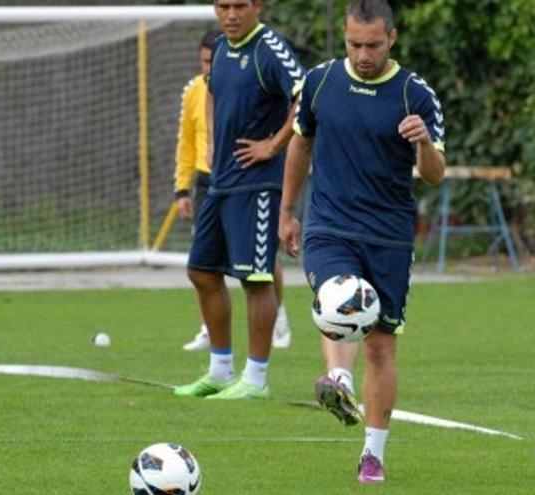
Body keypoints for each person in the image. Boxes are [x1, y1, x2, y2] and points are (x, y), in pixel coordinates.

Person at [279, 0, 446, 483]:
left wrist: (424, 144)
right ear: (345, 38)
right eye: (354, 44)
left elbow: (435, 176)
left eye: (373, 44)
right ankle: (337, 379)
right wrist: (289, 210)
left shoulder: (415, 94)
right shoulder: (320, 82)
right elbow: (300, 143)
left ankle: (372, 454)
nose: (363, 53)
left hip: (389, 235)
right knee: (336, 296)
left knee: (381, 347)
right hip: (330, 224)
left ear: (391, 38)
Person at [173, 0, 304, 400]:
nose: (231, 14)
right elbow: (211, 92)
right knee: (201, 271)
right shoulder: (223, 49)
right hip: (220, 182)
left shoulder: (270, 48)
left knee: (255, 278)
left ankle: (256, 380)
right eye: (224, 6)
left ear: (258, 6)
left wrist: (273, 145)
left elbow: (306, 96)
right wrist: (212, 137)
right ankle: (220, 370)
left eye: (240, 6)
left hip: (258, 184)